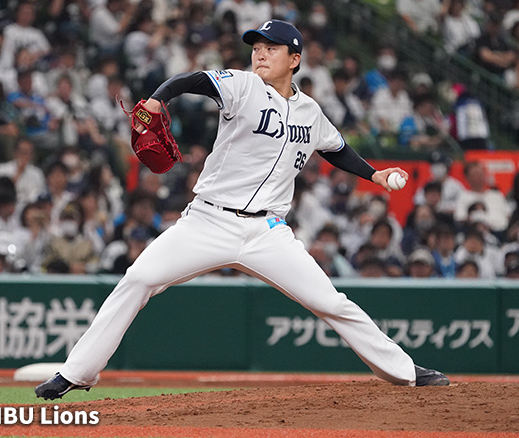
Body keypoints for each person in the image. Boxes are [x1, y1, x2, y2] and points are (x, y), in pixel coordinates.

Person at [35, 20, 449, 400]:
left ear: (295, 59)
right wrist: (159, 99)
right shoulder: (243, 85)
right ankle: (77, 372)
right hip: (208, 221)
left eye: (271, 48)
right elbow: (194, 80)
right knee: (139, 278)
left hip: (269, 233)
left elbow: (336, 148)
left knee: (332, 302)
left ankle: (404, 372)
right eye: (256, 48)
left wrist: (374, 175)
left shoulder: (311, 112)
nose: (260, 54)